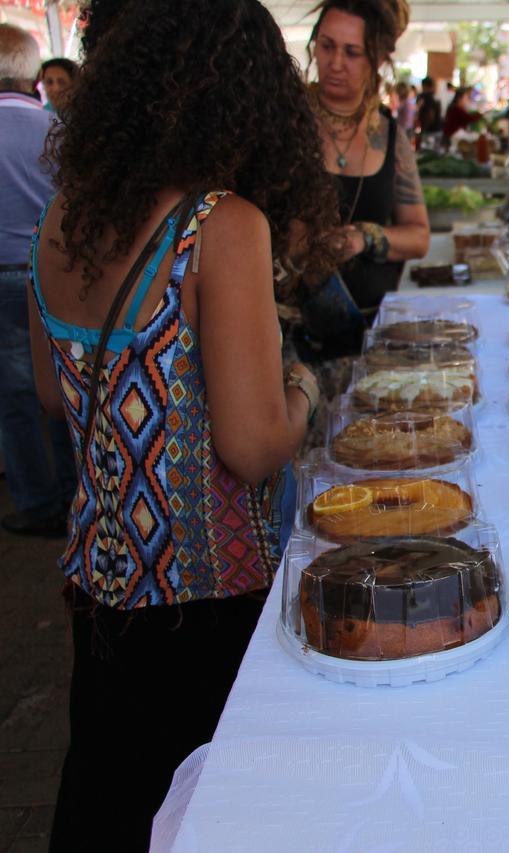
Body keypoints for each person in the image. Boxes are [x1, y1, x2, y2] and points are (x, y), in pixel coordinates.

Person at [28, 0, 338, 847]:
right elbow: (252, 446)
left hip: (104, 585)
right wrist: (303, 390)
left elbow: (59, 399)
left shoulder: (65, 218)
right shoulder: (221, 225)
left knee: (108, 794)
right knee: (208, 811)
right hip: (206, 601)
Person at [0, 25, 76, 537]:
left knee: (16, 397)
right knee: (58, 389)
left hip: (3, 269)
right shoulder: (56, 132)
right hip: (49, 270)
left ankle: (35, 501)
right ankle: (72, 493)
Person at [308, 0, 429, 314]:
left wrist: (365, 238)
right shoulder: (284, 122)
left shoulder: (391, 138)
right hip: (288, 333)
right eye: (326, 46)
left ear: (376, 58)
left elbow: (418, 237)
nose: (335, 63)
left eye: (352, 52)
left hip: (367, 331)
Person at [417, 75, 443, 145]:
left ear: (424, 85)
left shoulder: (425, 97)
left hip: (429, 130)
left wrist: (424, 129)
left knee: (427, 152)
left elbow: (430, 115)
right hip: (438, 129)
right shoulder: (436, 96)